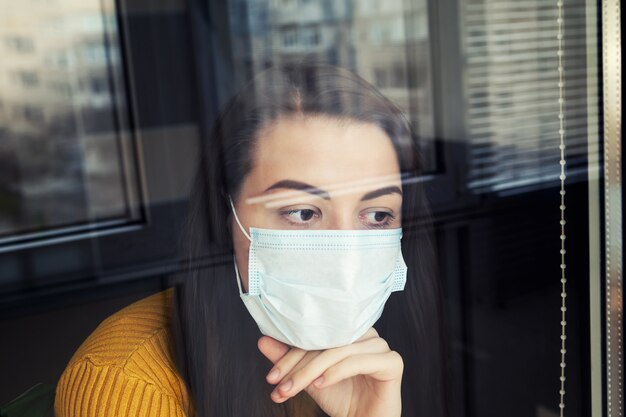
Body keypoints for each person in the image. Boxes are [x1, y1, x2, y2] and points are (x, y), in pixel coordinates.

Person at [55, 63, 447, 417]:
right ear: (225, 218)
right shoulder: (126, 381)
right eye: (303, 213)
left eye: (378, 216)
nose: (345, 258)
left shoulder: (388, 357)